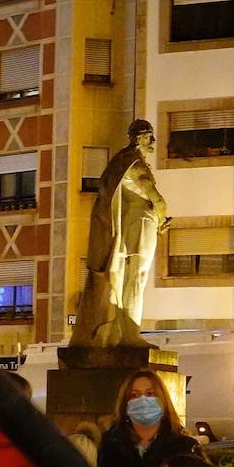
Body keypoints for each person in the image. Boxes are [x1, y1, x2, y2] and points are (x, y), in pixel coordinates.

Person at [72, 119, 170, 347]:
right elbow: (156, 199)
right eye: (149, 136)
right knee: (138, 277)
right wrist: (161, 220)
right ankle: (130, 335)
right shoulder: (134, 163)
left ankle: (124, 330)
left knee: (129, 279)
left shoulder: (121, 162)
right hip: (141, 222)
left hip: (133, 224)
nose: (152, 141)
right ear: (138, 138)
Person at [97, 370, 200, 467]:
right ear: (125, 404)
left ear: (162, 400)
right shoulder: (110, 444)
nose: (142, 400)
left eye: (150, 394)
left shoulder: (183, 445)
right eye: (134, 395)